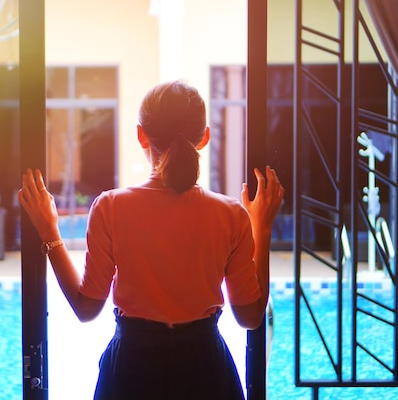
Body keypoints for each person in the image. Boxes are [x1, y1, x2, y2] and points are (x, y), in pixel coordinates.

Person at [18, 80, 284, 400]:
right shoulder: (230, 215)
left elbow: (86, 309)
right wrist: (263, 227)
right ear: (205, 138)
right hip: (206, 372)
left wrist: (49, 231)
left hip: (132, 371)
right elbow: (250, 317)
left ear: (141, 134)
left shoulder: (111, 207)